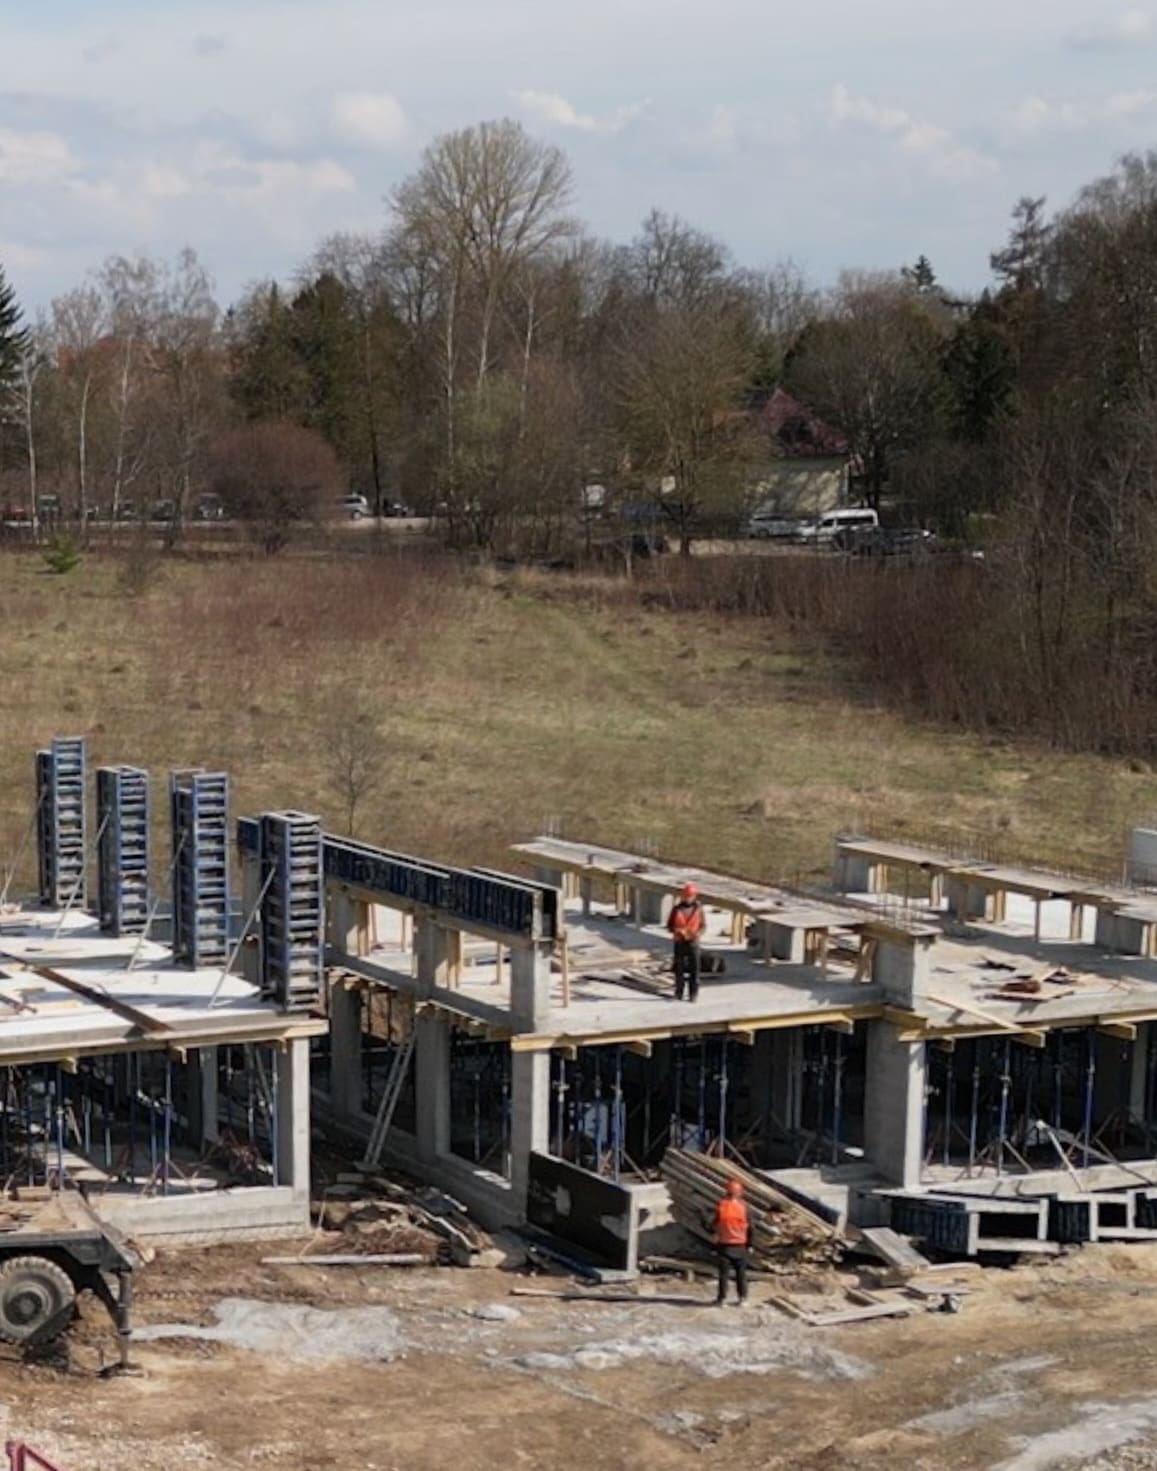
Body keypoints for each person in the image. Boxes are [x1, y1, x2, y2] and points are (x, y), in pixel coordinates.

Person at [713, 1178, 751, 1306]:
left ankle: (722, 1299)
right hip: (740, 1245)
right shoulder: (744, 1208)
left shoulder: (721, 1206)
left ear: (727, 1191)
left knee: (723, 1275)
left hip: (724, 1245)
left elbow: (713, 1224)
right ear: (739, 1192)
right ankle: (743, 1298)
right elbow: (751, 1227)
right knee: (741, 1274)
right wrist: (750, 1244)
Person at [667, 883, 705, 1001]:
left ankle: (693, 994)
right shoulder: (676, 909)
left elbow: (703, 925)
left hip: (693, 943)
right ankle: (679, 992)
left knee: (695, 970)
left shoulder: (699, 910)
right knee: (679, 969)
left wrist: (697, 934)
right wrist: (677, 931)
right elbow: (669, 926)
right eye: (686, 896)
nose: (688, 898)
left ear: (694, 896)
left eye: (690, 896)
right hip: (680, 942)